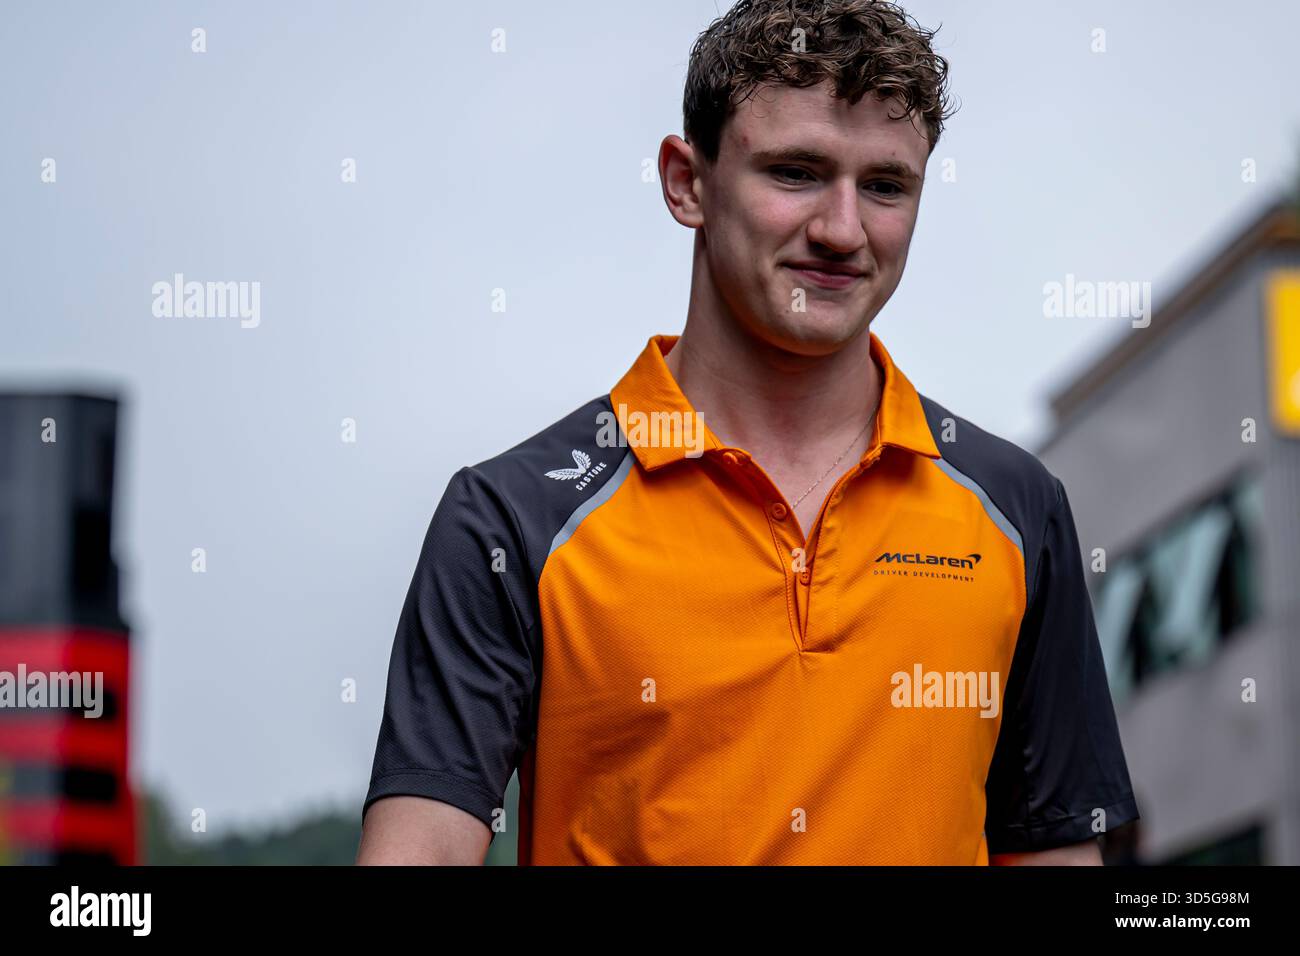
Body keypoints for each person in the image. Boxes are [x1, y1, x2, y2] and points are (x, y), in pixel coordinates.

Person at [357, 0, 1139, 865]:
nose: (842, 230)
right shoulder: (510, 518)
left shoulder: (1018, 509)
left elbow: (1058, 857)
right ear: (687, 183)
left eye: (884, 185)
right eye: (796, 172)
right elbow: (419, 851)